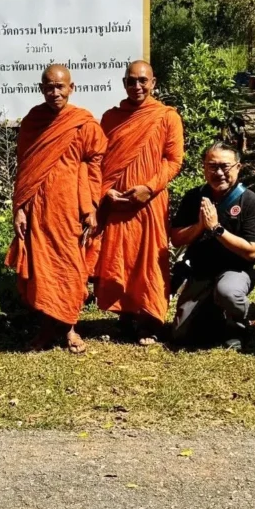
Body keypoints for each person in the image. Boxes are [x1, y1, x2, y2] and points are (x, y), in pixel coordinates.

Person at [5, 63, 107, 353]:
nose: (54, 92)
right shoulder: (33, 121)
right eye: (49, 86)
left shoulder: (84, 123)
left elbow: (94, 164)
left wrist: (90, 206)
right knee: (42, 269)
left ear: (71, 88)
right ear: (41, 89)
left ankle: (70, 327)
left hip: (71, 208)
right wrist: (20, 208)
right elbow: (25, 169)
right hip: (38, 208)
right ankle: (47, 328)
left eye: (60, 86)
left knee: (72, 269)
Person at [91, 60, 184, 343]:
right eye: (131, 81)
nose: (137, 86)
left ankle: (151, 320)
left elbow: (173, 160)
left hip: (150, 201)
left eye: (143, 80)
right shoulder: (110, 118)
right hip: (118, 202)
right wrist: (105, 190)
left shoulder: (167, 117)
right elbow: (98, 160)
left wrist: (149, 187)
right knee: (121, 257)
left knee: (149, 258)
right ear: (124, 84)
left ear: (154, 83)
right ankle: (126, 315)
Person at [169, 142, 255, 351]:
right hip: (200, 271)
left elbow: (251, 251)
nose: (219, 172)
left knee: (228, 291)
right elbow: (176, 238)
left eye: (225, 166)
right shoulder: (194, 197)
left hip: (236, 269)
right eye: (212, 166)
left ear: (238, 167)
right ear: (204, 167)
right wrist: (200, 226)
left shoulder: (251, 202)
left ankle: (236, 328)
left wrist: (216, 229)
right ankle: (212, 312)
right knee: (180, 334)